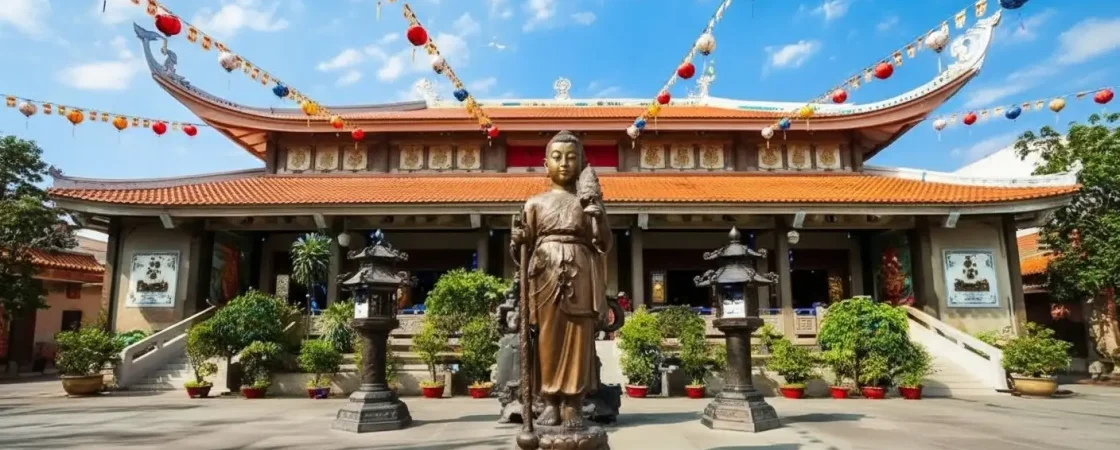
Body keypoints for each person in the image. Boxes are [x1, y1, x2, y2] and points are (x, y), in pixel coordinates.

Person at [511, 131, 612, 429]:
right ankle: (550, 402)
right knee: (546, 339)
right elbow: (522, 249)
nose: (564, 163)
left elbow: (604, 245)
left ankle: (573, 404)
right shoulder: (535, 203)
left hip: (580, 271)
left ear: (582, 163)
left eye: (571, 157)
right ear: (545, 164)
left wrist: (599, 217)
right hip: (544, 273)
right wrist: (517, 241)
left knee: (579, 340)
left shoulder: (588, 203)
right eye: (557, 157)